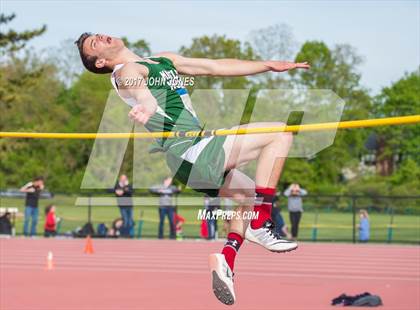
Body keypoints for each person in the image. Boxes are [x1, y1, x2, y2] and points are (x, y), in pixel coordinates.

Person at [75, 33, 309, 305]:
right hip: (190, 150)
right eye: (94, 43)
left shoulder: (163, 60)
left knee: (247, 195)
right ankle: (260, 220)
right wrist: (147, 106)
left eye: (98, 35)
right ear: (101, 61)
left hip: (188, 158)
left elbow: (215, 67)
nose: (101, 37)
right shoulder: (126, 71)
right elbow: (141, 92)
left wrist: (267, 65)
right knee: (281, 133)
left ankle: (227, 259)